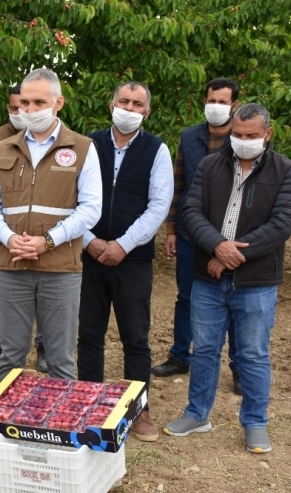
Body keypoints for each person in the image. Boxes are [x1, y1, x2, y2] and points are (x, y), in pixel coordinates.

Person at [164, 103, 291, 454]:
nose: (243, 141)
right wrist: (216, 246)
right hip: (207, 277)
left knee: (253, 353)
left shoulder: (286, 170)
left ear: (267, 134)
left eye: (251, 136)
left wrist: (228, 257)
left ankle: (255, 422)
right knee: (205, 349)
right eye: (237, 135)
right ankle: (197, 414)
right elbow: (191, 211)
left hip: (256, 280)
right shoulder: (210, 165)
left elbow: (281, 225)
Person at [0, 68, 103, 383]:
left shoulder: (82, 148)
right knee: (11, 358)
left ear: (58, 102)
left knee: (60, 359)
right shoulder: (5, 148)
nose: (30, 110)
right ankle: (7, 427)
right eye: (24, 103)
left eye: (38, 102)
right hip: (12, 265)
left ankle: (61, 430)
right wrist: (8, 238)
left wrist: (48, 240)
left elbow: (91, 209)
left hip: (60, 268)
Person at [77, 81, 174, 442]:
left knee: (135, 337)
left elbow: (158, 206)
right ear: (110, 104)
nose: (129, 108)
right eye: (124, 101)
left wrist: (123, 244)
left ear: (146, 112)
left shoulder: (156, 150)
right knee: (89, 334)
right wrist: (89, 241)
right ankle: (90, 403)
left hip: (133, 260)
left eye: (137, 104)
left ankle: (139, 410)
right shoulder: (88, 145)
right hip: (89, 256)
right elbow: (74, 198)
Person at [152, 78, 243, 395]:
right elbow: (178, 185)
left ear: (234, 106)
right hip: (191, 234)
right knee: (186, 298)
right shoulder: (189, 137)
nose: (215, 106)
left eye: (222, 101)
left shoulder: (244, 139)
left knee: (234, 301)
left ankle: (238, 368)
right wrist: (172, 229)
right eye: (211, 100)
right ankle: (180, 356)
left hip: (230, 237)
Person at [0, 85, 46, 371]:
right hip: (4, 229)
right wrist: (3, 230)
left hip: (40, 231)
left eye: (29, 105)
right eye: (16, 107)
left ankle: (43, 347)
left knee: (44, 290)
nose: (23, 112)